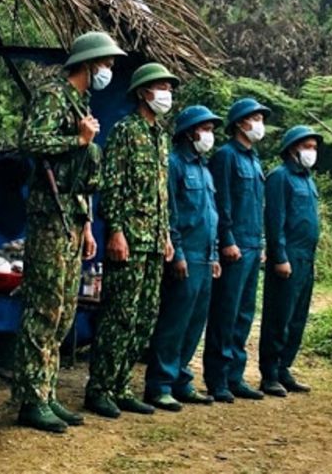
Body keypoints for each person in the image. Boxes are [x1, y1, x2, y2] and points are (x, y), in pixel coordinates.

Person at [14, 31, 126, 433]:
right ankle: (31, 399)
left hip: (72, 217)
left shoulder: (81, 102)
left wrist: (88, 224)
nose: (109, 70)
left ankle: (46, 393)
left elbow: (80, 174)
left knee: (63, 310)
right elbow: (30, 141)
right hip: (49, 217)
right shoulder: (52, 96)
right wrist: (77, 139)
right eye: (106, 63)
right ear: (88, 63)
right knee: (44, 307)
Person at [84, 63, 177, 418]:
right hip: (129, 241)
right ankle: (100, 388)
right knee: (118, 316)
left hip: (154, 242)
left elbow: (161, 193)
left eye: (169, 87)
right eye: (161, 87)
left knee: (144, 318)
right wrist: (116, 230)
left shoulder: (161, 137)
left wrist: (165, 234)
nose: (166, 93)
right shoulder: (125, 130)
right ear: (142, 92)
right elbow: (112, 184)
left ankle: (122, 386)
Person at [144, 105, 223, 411]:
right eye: (206, 129)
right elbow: (170, 213)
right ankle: (160, 384)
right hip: (185, 254)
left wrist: (214, 254)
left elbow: (210, 214)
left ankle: (181, 379)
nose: (210, 135)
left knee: (194, 324)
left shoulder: (203, 167)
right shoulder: (175, 164)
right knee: (174, 322)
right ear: (190, 133)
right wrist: (176, 252)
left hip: (204, 255)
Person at [203, 98, 271, 402]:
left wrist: (262, 243)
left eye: (261, 119)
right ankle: (217, 378)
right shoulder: (226, 156)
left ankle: (235, 375)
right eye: (255, 118)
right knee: (225, 312)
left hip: (253, 245)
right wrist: (227, 239)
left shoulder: (254, 159)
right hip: (234, 246)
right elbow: (222, 202)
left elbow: (258, 205)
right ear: (240, 123)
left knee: (244, 313)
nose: (259, 124)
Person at [259, 125, 322, 397]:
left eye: (314, 147)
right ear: (293, 148)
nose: (312, 152)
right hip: (288, 255)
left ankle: (284, 367)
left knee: (297, 317)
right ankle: (269, 374)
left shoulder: (307, 179)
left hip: (307, 257)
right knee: (279, 316)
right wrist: (280, 256)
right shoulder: (279, 177)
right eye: (307, 146)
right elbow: (275, 220)